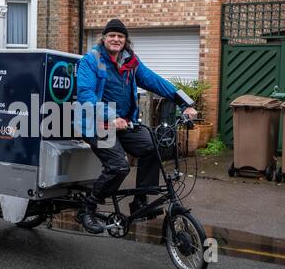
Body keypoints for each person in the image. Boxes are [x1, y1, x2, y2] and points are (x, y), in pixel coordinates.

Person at [76, 19, 198, 234]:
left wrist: (185, 103)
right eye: (112, 35)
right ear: (103, 38)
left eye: (120, 36)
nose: (116, 39)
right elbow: (86, 95)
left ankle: (140, 201)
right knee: (118, 166)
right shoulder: (91, 60)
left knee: (153, 147)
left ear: (125, 41)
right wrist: (111, 116)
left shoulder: (131, 62)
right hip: (96, 123)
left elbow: (155, 81)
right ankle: (88, 207)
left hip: (124, 123)